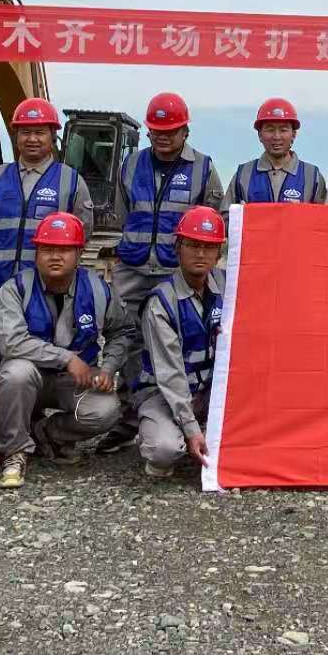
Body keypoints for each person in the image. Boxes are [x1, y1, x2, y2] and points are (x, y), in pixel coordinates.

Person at [101, 92, 222, 454]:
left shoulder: (203, 169)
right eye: (156, 131)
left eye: (171, 131)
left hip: (175, 270)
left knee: (179, 341)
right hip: (134, 267)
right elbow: (122, 212)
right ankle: (129, 418)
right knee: (129, 341)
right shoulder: (131, 164)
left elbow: (212, 220)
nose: (163, 137)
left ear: (186, 131)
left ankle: (186, 416)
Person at [0, 213, 137, 489]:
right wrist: (67, 358)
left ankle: (46, 434)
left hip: (74, 381)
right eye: (47, 249)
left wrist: (108, 368)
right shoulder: (16, 289)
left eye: (64, 250)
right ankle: (14, 451)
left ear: (79, 254)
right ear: (36, 253)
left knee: (106, 410)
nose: (55, 257)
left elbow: (123, 331)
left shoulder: (98, 289)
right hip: (31, 377)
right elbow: (11, 342)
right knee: (15, 373)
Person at [0, 97, 95, 335]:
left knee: (44, 349)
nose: (32, 139)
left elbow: (83, 233)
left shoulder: (70, 181)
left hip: (46, 288)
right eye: (25, 132)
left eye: (39, 132)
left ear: (53, 136)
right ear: (16, 136)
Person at [136, 207, 226, 478]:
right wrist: (191, 428)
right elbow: (170, 374)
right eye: (192, 245)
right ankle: (172, 434)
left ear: (219, 253)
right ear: (178, 248)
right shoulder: (161, 302)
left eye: (209, 247)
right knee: (163, 451)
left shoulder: (228, 287)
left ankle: (200, 433)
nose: (200, 254)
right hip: (164, 393)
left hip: (209, 390)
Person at [222, 98, 326, 208]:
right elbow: (225, 215)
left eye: (283, 130)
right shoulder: (243, 174)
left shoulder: (312, 176)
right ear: (260, 135)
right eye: (270, 130)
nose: (276, 137)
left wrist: (301, 212)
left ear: (293, 134)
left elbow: (325, 216)